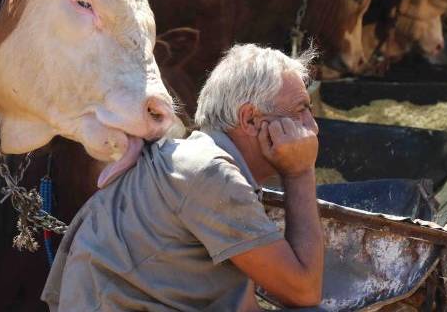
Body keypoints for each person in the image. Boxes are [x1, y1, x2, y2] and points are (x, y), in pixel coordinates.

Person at [41, 44, 324, 311]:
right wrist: (299, 172)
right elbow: (303, 290)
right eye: (301, 111)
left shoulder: (195, 159)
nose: (313, 128)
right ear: (249, 119)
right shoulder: (210, 174)